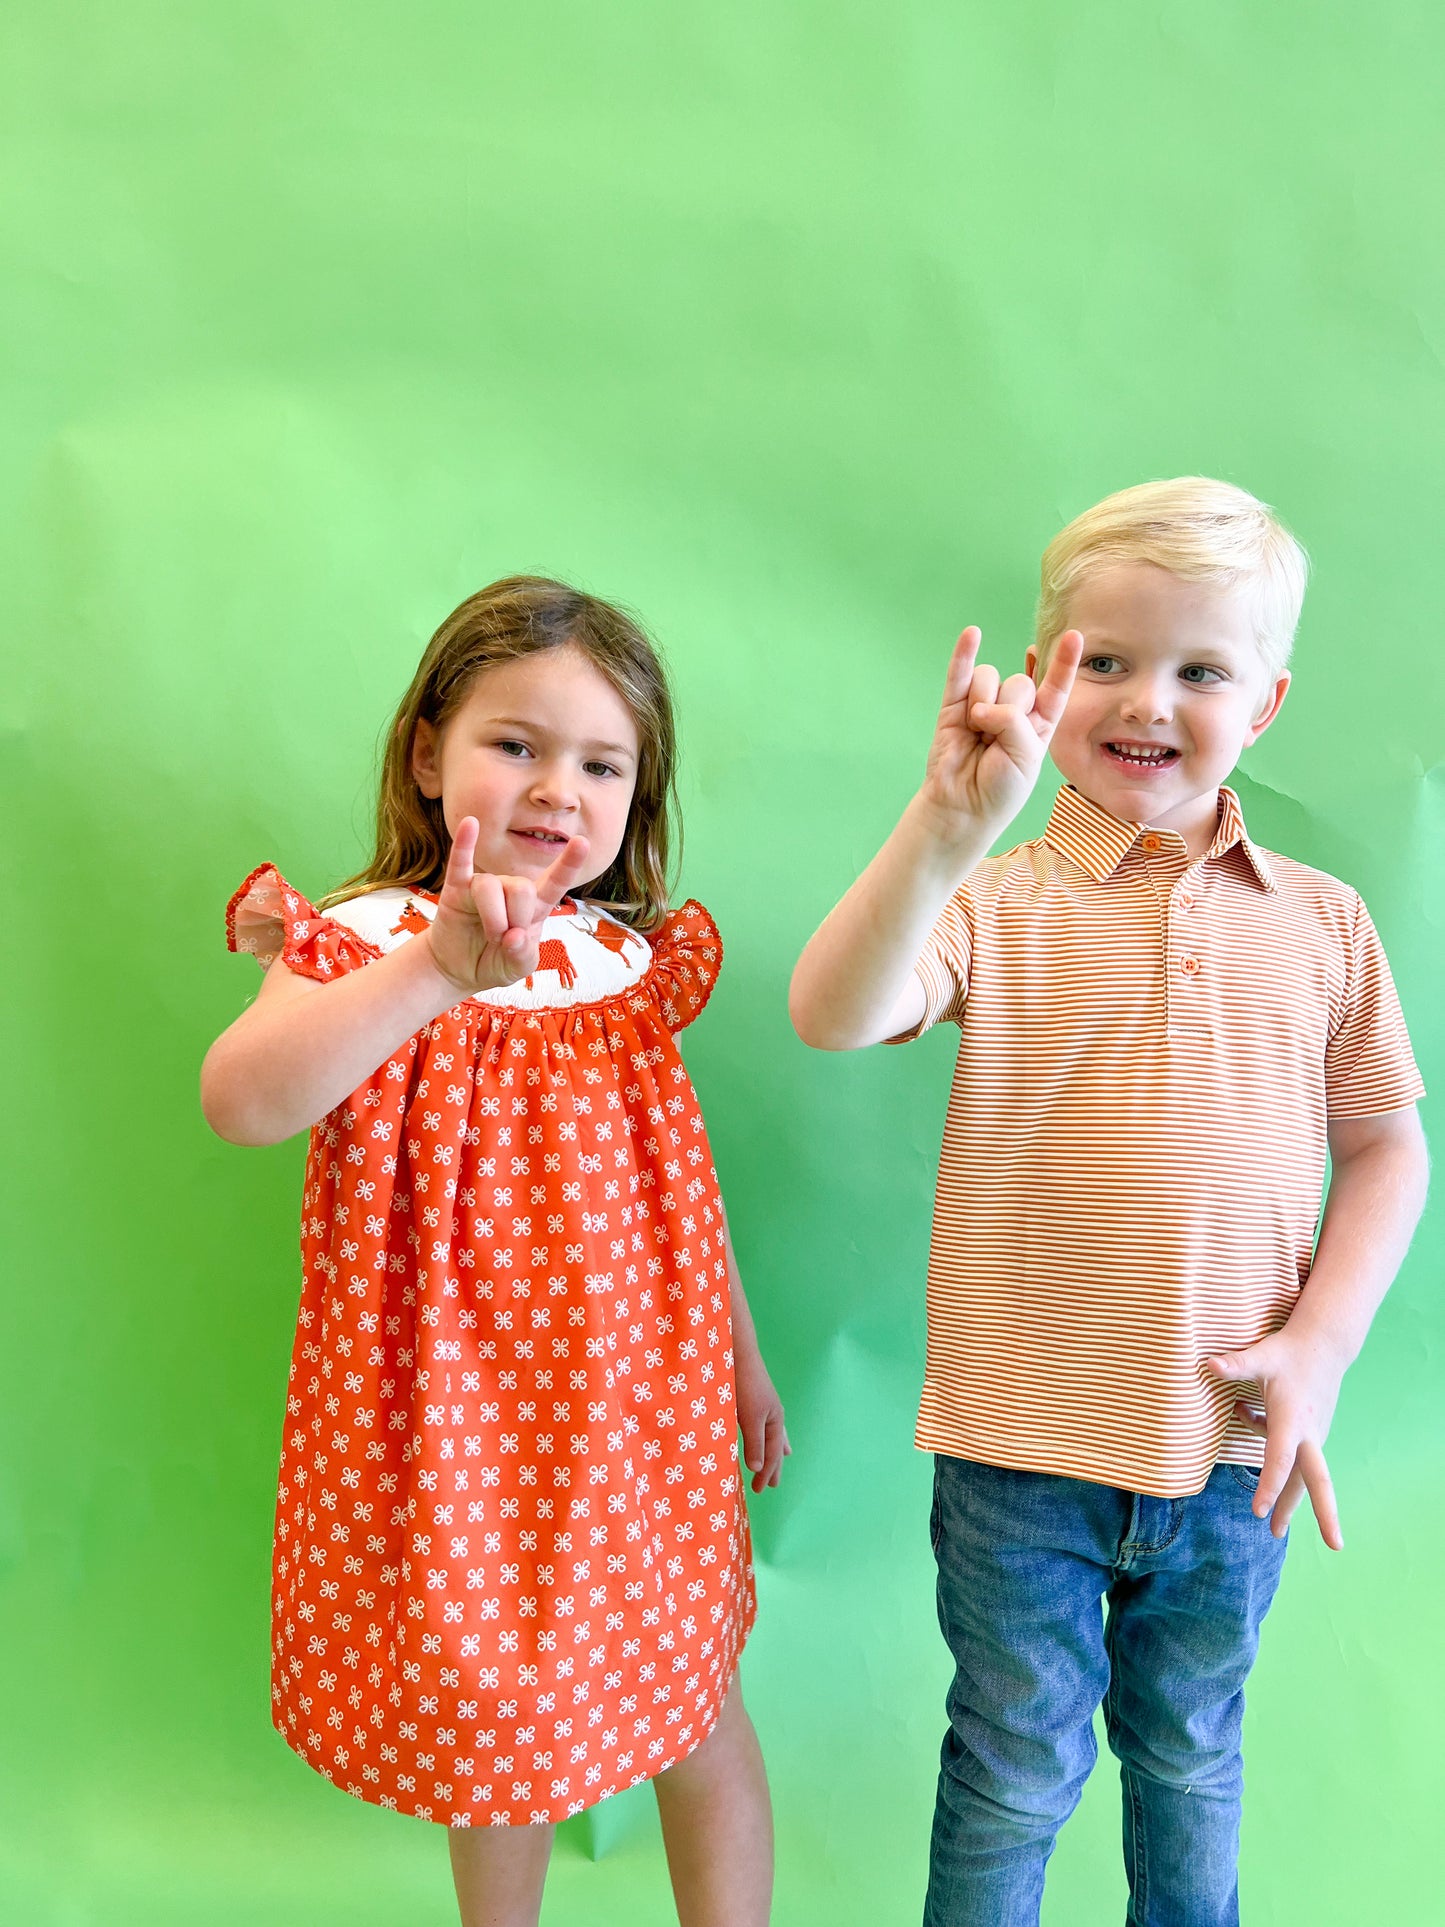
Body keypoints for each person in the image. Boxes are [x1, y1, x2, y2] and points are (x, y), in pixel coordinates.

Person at [789, 478, 1428, 1926]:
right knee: (1013, 1764)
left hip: (1228, 1451)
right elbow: (833, 1011)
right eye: (1108, 660)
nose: (1149, 700)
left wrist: (1318, 1348)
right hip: (1018, 1455)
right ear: (1041, 678)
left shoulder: (1321, 921)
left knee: (1190, 1754)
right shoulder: (993, 897)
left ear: (1263, 703)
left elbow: (1389, 1150)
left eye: (1199, 668)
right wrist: (943, 825)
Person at [202, 577, 788, 1927]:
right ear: (427, 755)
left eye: (600, 764)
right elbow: (244, 1101)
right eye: (513, 744)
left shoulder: (624, 970)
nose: (554, 788)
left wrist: (743, 1366)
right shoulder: (364, 941)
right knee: (494, 1740)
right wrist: (434, 975)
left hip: (643, 1426)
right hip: (460, 1430)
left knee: (696, 1704)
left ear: (636, 800)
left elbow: (683, 1208)